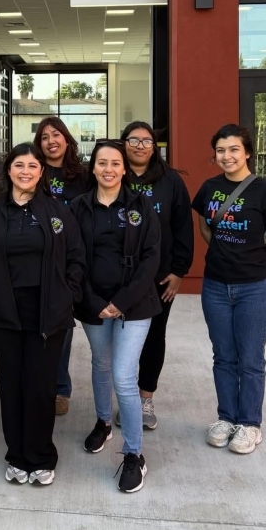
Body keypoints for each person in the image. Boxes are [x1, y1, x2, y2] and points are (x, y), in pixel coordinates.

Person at [0, 143, 86, 486]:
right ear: (9, 171)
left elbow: (76, 258)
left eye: (32, 166)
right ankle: (17, 455)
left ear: (41, 172)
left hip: (49, 313)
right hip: (7, 312)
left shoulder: (56, 211)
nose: (25, 172)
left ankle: (42, 456)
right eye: (19, 165)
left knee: (40, 386)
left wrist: (68, 296)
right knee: (13, 386)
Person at [70, 139, 161, 494]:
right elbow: (72, 258)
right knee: (101, 364)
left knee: (124, 376)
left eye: (115, 163)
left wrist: (121, 301)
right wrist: (94, 301)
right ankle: (104, 422)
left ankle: (134, 454)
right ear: (93, 167)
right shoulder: (78, 207)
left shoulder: (142, 206)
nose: (108, 169)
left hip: (135, 305)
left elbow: (152, 257)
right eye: (102, 163)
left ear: (125, 169)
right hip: (92, 304)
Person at [192, 123, 266, 455]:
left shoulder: (264, 191)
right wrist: (224, 254)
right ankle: (226, 418)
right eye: (220, 150)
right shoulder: (209, 187)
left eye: (234, 149)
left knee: (250, 358)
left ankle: (249, 424)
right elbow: (206, 228)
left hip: (254, 289)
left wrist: (255, 264)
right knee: (223, 357)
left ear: (246, 152)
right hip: (216, 286)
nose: (227, 155)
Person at [118, 121, 194, 430]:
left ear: (155, 147)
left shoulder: (171, 181)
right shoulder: (112, 173)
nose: (139, 145)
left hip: (159, 279)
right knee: (119, 343)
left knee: (153, 338)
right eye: (133, 140)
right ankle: (124, 399)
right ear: (124, 143)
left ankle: (145, 397)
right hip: (118, 278)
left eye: (146, 141)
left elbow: (183, 229)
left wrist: (178, 272)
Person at [34, 116, 88, 417]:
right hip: (35, 257)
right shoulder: (33, 170)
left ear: (67, 140)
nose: (51, 141)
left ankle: (59, 387)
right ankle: (38, 384)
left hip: (68, 260)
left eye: (56, 135)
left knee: (62, 327)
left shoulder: (83, 175)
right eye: (44, 137)